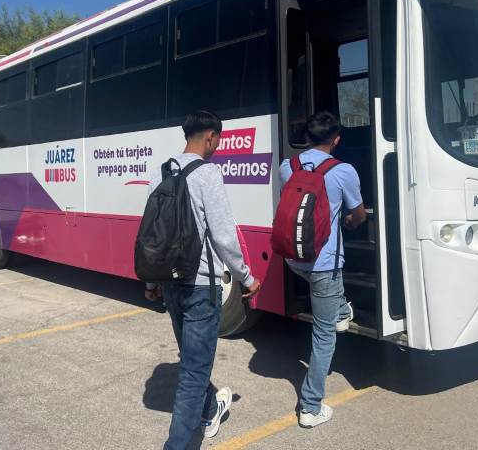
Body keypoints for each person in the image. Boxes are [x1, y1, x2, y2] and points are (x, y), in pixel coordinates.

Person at [145, 110, 262, 449]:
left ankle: (211, 409)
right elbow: (224, 236)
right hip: (200, 287)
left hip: (169, 283)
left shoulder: (161, 171)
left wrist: (152, 284)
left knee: (193, 360)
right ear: (210, 137)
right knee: (193, 374)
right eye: (218, 141)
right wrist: (246, 277)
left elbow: (152, 234)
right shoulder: (208, 174)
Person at [278, 111, 366, 428]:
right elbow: (357, 215)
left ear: (306, 136)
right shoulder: (344, 171)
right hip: (324, 263)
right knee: (324, 334)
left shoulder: (287, 167)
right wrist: (347, 221)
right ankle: (311, 407)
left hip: (292, 258)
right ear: (336, 140)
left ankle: (342, 309)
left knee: (333, 303)